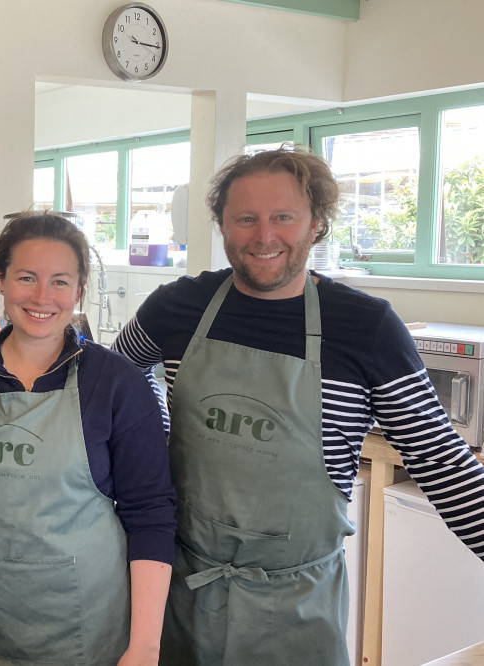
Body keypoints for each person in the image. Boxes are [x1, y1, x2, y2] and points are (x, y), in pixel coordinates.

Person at [111, 144, 484, 665]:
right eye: (245, 218)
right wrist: (155, 431)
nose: (264, 236)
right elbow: (119, 370)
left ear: (316, 223)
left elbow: (441, 460)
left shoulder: (366, 328)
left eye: (283, 217)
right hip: (181, 595)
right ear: (222, 226)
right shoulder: (179, 307)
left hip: (297, 612)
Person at [0, 212, 176, 666]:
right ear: (1, 279)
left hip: (84, 625)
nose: (41, 297)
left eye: (59, 281)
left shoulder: (115, 383)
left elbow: (150, 513)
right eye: (26, 278)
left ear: (80, 288)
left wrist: (145, 646)